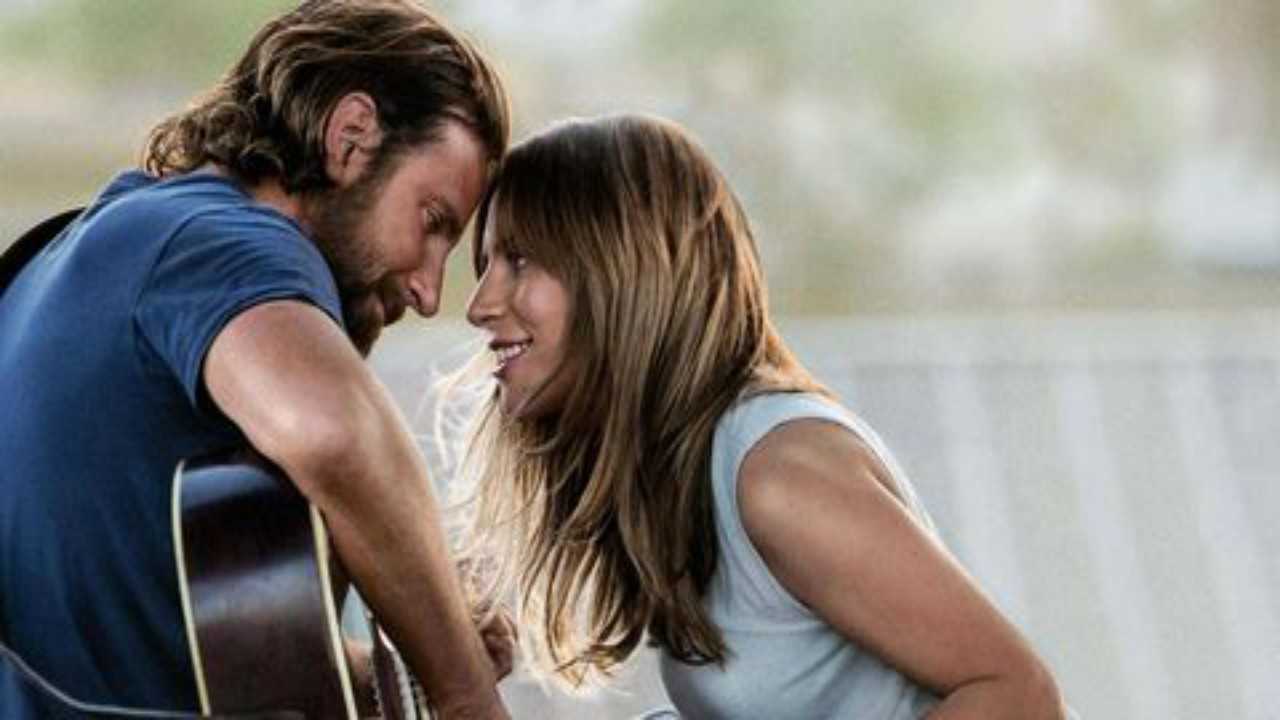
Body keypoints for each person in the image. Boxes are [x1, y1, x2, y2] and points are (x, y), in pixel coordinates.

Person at [454, 114, 1070, 718]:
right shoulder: (684, 478)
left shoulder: (778, 475)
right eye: (486, 267)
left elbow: (1020, 695)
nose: (479, 305)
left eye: (519, 261)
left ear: (621, 274)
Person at [0, 1, 514, 718]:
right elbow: (335, 433)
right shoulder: (229, 242)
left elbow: (219, 662)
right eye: (432, 222)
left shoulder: (87, 247)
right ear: (351, 137)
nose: (429, 292)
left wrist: (400, 644)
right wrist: (464, 691)